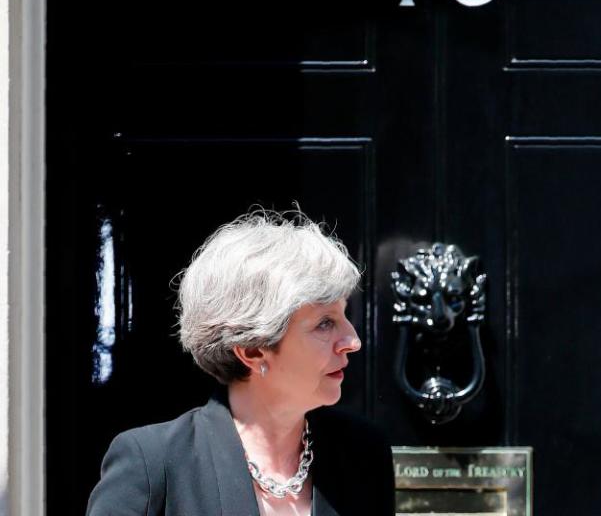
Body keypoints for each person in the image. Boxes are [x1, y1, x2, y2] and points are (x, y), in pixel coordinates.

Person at [87, 210, 395, 516]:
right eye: (325, 323)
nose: (352, 341)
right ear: (251, 349)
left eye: (343, 315)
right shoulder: (153, 463)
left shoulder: (362, 453)